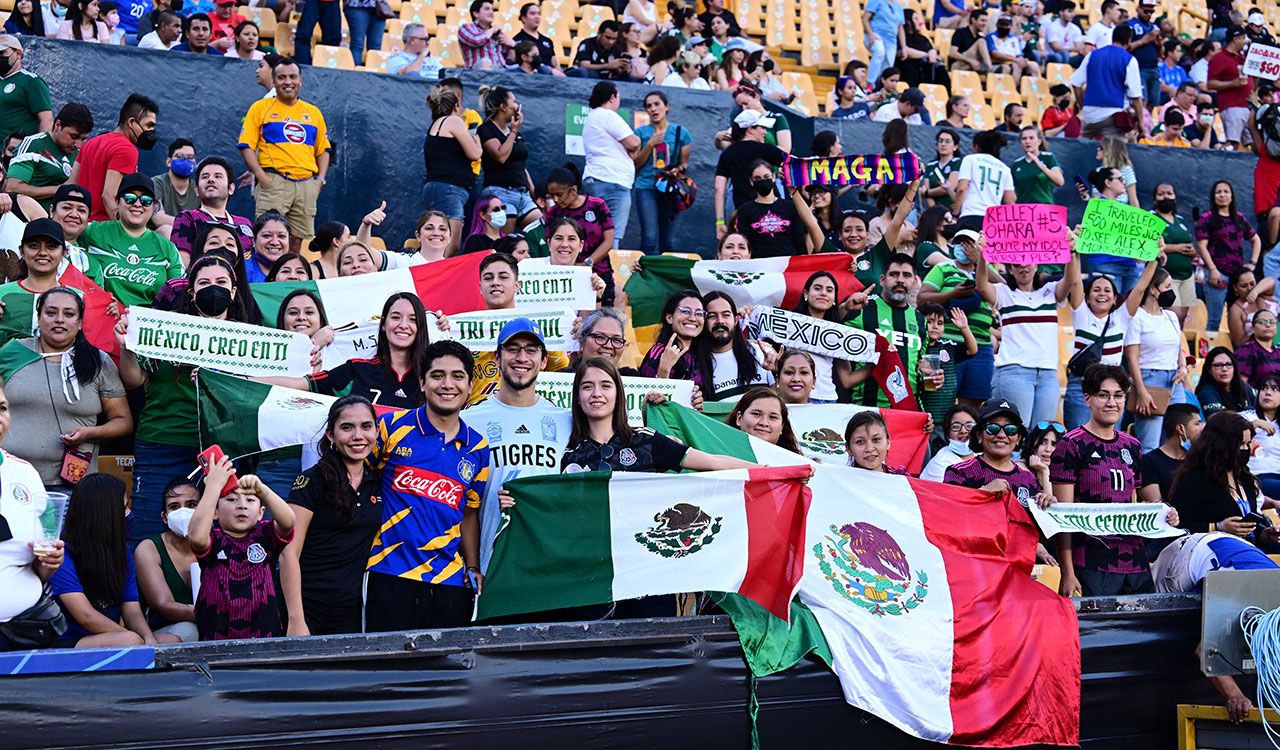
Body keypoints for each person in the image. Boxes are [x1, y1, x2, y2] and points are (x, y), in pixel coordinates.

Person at [112, 256, 253, 545]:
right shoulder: (165, 330)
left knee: (218, 537)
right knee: (149, 532)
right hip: (162, 442)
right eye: (204, 283)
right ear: (191, 291)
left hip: (220, 450)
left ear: (233, 291)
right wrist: (126, 348)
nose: (213, 288)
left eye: (221, 282)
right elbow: (134, 380)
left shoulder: (250, 340)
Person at [362, 340, 488, 630]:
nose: (448, 384)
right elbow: (358, 482)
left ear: (470, 386)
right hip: (389, 571)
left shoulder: (478, 447)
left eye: (458, 376)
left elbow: (469, 512)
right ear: (422, 382)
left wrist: (472, 567)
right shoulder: (391, 427)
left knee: (446, 661)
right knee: (386, 658)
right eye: (437, 375)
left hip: (450, 580)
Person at [1051, 364, 1177, 597]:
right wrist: (1067, 572)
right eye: (1103, 395)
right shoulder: (1071, 444)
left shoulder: (1132, 445)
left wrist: (1167, 513)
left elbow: (1149, 503)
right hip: (1091, 561)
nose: (1112, 402)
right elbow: (1062, 518)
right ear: (1087, 399)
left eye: (1118, 395)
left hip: (1135, 561)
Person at [465, 318, 572, 572]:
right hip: (492, 565)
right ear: (497, 357)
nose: (521, 357)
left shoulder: (566, 421)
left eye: (531, 350)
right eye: (512, 349)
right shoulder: (469, 420)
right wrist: (472, 565)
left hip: (548, 562)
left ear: (544, 361)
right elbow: (463, 504)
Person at [0, 286, 131, 489]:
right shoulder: (12, 353)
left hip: (75, 485)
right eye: (51, 313)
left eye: (69, 314)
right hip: (12, 481)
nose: (59, 319)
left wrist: (89, 433)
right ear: (39, 317)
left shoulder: (97, 361)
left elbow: (123, 421)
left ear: (80, 323)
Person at [277, 397, 380, 636]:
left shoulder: (379, 481)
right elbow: (288, 552)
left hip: (351, 611)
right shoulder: (312, 479)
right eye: (347, 427)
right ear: (331, 435)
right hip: (306, 606)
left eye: (366, 426)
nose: (358, 436)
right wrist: (296, 619)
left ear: (376, 431)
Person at [52, 474, 171, 647]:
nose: (129, 514)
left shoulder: (122, 551)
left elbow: (132, 610)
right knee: (130, 640)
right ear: (104, 515)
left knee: (171, 641)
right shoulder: (62, 554)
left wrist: (148, 639)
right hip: (66, 641)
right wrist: (134, 639)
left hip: (111, 636)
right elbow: (85, 616)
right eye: (124, 507)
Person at [188, 454, 295, 641]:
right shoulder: (212, 538)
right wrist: (213, 487)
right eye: (231, 500)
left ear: (261, 513)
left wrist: (262, 490)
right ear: (214, 512)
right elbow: (196, 537)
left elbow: (288, 522)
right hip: (216, 638)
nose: (242, 505)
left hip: (264, 637)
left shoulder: (265, 534)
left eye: (250, 500)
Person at [976, 237, 1075, 426]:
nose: (1023, 267)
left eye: (1027, 261)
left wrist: (1072, 252)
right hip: (1014, 371)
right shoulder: (1004, 292)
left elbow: (1071, 281)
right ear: (1010, 269)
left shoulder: (1050, 291)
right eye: (1016, 264)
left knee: (1040, 434)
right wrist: (983, 255)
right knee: (1015, 433)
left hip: (1048, 374)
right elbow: (981, 286)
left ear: (1036, 264)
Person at [943, 398, 1046, 573]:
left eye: (1010, 429)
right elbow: (947, 519)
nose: (1002, 435)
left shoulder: (1028, 479)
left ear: (1019, 438)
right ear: (979, 435)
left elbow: (1033, 530)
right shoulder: (959, 472)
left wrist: (1047, 501)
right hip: (974, 568)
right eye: (993, 428)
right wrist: (982, 494)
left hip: (1017, 570)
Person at [239, 59, 330, 253]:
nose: (288, 82)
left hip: (307, 185)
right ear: (274, 81)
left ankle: (290, 273)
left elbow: (323, 150)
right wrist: (262, 177)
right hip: (274, 182)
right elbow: (246, 146)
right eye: (281, 77)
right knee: (267, 238)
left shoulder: (313, 112)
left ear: (300, 81)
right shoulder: (260, 108)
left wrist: (319, 181)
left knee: (296, 243)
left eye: (292, 77)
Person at [1170, 411, 1276, 549]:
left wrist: (1266, 534)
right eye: (1240, 444)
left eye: (1248, 444)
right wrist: (1217, 527)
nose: (1245, 449)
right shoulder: (1194, 479)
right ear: (1221, 444)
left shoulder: (1245, 477)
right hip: (1209, 553)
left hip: (1245, 551)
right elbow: (1178, 527)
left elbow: (1248, 528)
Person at [919, 230, 997, 408]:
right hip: (949, 343)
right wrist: (953, 293)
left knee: (974, 401)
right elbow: (922, 298)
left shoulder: (985, 270)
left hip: (982, 345)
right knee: (942, 396)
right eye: (960, 243)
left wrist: (980, 261)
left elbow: (1004, 286)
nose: (964, 247)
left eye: (969, 243)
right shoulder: (943, 268)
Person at [81, 172, 182, 308]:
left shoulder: (167, 248)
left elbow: (178, 296)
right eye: (130, 198)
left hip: (147, 320)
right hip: (101, 314)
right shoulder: (92, 232)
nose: (138, 204)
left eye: (146, 201)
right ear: (117, 202)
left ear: (153, 207)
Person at [847, 253, 928, 407]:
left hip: (909, 410)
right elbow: (826, 327)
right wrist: (844, 308)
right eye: (894, 274)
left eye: (907, 275)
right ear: (882, 280)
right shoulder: (861, 309)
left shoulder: (921, 320)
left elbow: (921, 365)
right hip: (868, 409)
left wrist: (930, 375)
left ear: (914, 282)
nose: (900, 280)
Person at [1124, 265, 1188, 452]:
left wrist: (1183, 367)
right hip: (1149, 378)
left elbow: (1178, 347)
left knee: (1181, 438)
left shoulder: (1171, 316)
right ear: (1153, 289)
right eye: (1167, 286)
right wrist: (1141, 391)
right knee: (1150, 444)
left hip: (1174, 381)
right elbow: (1132, 357)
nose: (1171, 291)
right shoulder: (1137, 317)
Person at [70, 93, 157, 222]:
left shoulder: (90, 143)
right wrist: (123, 229)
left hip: (82, 224)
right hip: (104, 226)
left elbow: (71, 184)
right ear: (131, 122)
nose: (152, 131)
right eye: (148, 125)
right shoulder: (126, 149)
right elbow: (109, 196)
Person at [132, 478, 200, 643]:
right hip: (167, 632)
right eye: (174, 507)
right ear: (164, 517)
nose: (183, 513)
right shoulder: (149, 548)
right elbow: (163, 604)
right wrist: (216, 614)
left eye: (191, 505)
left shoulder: (220, 542)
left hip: (217, 625)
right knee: (190, 630)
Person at [422, 85, 482, 256]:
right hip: (449, 189)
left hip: (441, 189)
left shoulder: (437, 124)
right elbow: (475, 154)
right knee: (450, 246)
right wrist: (476, 139)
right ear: (456, 106)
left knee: (441, 245)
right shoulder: (453, 121)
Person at [632, 91, 691, 256]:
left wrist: (677, 170)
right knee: (649, 238)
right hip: (646, 187)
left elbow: (684, 163)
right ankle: (646, 272)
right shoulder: (640, 133)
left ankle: (666, 272)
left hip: (670, 189)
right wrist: (650, 144)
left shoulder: (681, 132)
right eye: (649, 106)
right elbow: (635, 165)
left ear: (667, 106)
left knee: (668, 240)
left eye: (657, 104)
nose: (653, 109)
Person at [545, 169, 616, 305]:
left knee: (604, 315)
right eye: (551, 195)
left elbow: (609, 241)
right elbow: (551, 244)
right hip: (565, 279)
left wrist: (587, 263)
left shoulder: (597, 205)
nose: (555, 200)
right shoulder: (553, 213)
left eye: (559, 194)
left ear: (573, 190)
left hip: (600, 273)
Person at [1197, 180, 1260, 334]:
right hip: (1218, 275)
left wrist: (1252, 263)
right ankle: (1211, 348)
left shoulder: (1239, 218)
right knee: (1214, 319)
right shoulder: (1207, 218)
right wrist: (1213, 270)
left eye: (1226, 191)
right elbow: (1202, 246)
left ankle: (1236, 348)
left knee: (1237, 315)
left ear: (1232, 196)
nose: (1222, 195)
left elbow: (1256, 240)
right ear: (1213, 196)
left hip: (1238, 278)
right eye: (1218, 192)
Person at [582, 82, 639, 250]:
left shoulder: (593, 117)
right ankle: (607, 267)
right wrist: (636, 145)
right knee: (611, 235)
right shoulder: (607, 115)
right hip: (612, 181)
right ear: (613, 97)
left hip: (598, 178)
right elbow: (634, 142)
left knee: (596, 233)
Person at [731, 159, 825, 257]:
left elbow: (799, 240)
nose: (763, 180)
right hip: (758, 263)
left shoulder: (790, 207)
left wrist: (802, 262)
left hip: (788, 262)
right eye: (757, 178)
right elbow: (744, 242)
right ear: (751, 181)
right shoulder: (744, 210)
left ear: (773, 177)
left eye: (766, 177)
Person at [6, 102, 92, 210]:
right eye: (74, 136)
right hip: (31, 217)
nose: (78, 144)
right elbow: (12, 188)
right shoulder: (33, 145)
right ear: (58, 125)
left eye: (83, 139)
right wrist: (61, 189)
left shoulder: (79, 154)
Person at [169, 156, 254, 263]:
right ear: (196, 190)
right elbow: (181, 263)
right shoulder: (188, 218)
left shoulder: (245, 223)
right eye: (205, 177)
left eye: (218, 176)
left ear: (231, 188)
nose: (211, 180)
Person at [1069, 24, 1146, 141]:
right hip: (1113, 114)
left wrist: (1082, 104)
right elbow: (1135, 96)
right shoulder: (1129, 60)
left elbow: (1076, 83)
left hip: (1089, 115)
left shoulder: (1092, 55)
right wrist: (1141, 122)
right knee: (1116, 150)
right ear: (1129, 41)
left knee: (1082, 148)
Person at [478, 86, 538, 234]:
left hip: (523, 194)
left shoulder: (513, 132)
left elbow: (521, 164)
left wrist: (532, 189)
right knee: (505, 240)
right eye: (514, 102)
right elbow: (501, 156)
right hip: (500, 192)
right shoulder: (486, 129)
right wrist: (514, 131)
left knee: (541, 229)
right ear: (503, 107)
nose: (517, 106)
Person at [714, 109, 786, 232]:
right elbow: (794, 165)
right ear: (751, 129)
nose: (765, 132)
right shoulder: (767, 150)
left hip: (743, 214)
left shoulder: (728, 154)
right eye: (762, 127)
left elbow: (718, 189)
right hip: (772, 213)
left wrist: (720, 222)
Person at [918, 303, 977, 432]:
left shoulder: (947, 347)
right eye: (929, 322)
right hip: (924, 413)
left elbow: (972, 350)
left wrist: (964, 328)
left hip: (947, 413)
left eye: (940, 323)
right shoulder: (915, 348)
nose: (935, 326)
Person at [701, 291, 772, 401]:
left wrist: (777, 370)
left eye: (726, 315)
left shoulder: (761, 353)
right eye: (712, 316)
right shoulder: (696, 365)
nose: (720, 321)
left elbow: (781, 398)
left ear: (735, 320)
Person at [1137, 403, 1203, 503]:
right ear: (1180, 429)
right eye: (1197, 424)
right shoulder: (1148, 462)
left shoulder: (1197, 460)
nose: (1202, 429)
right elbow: (1156, 505)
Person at [952, 130, 1015, 232]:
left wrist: (955, 213)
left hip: (971, 215)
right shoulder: (1005, 168)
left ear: (976, 147)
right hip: (994, 221)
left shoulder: (970, 159)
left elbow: (962, 189)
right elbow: (1010, 201)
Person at [640, 289, 706, 386]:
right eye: (685, 311)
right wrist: (663, 371)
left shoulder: (702, 353)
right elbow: (648, 392)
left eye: (699, 313)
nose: (693, 318)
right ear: (669, 318)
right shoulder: (660, 352)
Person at [1206, 27, 1252, 149]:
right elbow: (1210, 84)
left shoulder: (1242, 58)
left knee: (1254, 143)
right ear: (1235, 39)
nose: (1246, 41)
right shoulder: (1219, 58)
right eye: (1243, 38)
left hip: (1247, 106)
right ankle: (1222, 159)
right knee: (1232, 143)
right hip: (1232, 106)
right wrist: (1233, 83)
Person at [724, 386, 799, 453]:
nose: (764, 423)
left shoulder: (795, 461)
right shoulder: (719, 454)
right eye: (756, 414)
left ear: (782, 426)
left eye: (773, 417)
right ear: (739, 418)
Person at [920, 403, 978, 481]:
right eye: (956, 426)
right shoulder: (940, 464)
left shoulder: (984, 453)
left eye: (969, 425)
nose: (963, 431)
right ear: (947, 433)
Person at [1011, 126, 1063, 205]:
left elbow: (1060, 181)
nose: (1027, 141)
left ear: (1039, 141)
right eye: (1024, 138)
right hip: (1023, 209)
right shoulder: (1016, 164)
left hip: (1044, 208)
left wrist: (1041, 166)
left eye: (1031, 138)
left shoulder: (1048, 157)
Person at [899, 9, 949, 90]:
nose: (919, 22)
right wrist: (926, 55)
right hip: (907, 66)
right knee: (910, 71)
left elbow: (931, 51)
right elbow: (906, 52)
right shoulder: (900, 38)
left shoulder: (922, 38)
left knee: (941, 70)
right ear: (908, 21)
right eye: (915, 19)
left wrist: (932, 52)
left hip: (924, 66)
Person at [149, 138, 198, 219]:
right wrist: (187, 224)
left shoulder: (198, 189)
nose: (186, 161)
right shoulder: (156, 183)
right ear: (169, 162)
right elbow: (157, 217)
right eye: (180, 156)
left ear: (195, 163)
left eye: (190, 157)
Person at [458, 0, 513, 70]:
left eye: (492, 10)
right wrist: (492, 30)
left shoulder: (497, 33)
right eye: (487, 9)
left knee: (520, 68)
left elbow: (510, 59)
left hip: (501, 71)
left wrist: (513, 45)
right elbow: (475, 40)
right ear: (476, 14)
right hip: (475, 73)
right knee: (485, 62)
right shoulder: (466, 28)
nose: (491, 12)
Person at [988, 15, 1039, 87]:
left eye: (1006, 25)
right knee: (1016, 65)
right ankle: (1012, 89)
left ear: (1011, 26)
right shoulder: (991, 37)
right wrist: (1015, 59)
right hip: (999, 62)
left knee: (1034, 66)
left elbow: (1019, 54)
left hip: (1014, 61)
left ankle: (1031, 90)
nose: (1004, 27)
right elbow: (995, 54)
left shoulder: (1013, 38)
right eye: (1002, 25)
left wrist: (1023, 59)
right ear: (997, 25)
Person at [1235, 308, 1280, 389]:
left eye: (1272, 322)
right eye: (1262, 322)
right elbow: (1240, 385)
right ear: (1253, 328)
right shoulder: (1246, 350)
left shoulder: (1278, 351)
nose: (1268, 325)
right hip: (1257, 395)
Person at [513, 2, 563, 73]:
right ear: (523, 18)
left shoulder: (547, 41)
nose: (537, 17)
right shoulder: (517, 40)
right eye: (533, 13)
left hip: (550, 76)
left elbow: (556, 65)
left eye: (539, 14)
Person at [862, 0, 903, 82]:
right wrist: (870, 34)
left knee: (887, 66)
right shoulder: (876, 1)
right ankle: (870, 82)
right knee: (880, 52)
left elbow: (900, 28)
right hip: (876, 35)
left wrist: (904, 46)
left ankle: (879, 85)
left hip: (891, 41)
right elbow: (865, 19)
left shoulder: (898, 6)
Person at [924, 129, 960, 210]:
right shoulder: (930, 165)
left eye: (947, 141)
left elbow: (949, 187)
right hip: (935, 212)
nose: (943, 144)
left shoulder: (958, 162)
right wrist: (936, 211)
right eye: (940, 141)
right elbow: (926, 189)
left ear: (955, 146)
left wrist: (927, 193)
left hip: (953, 211)